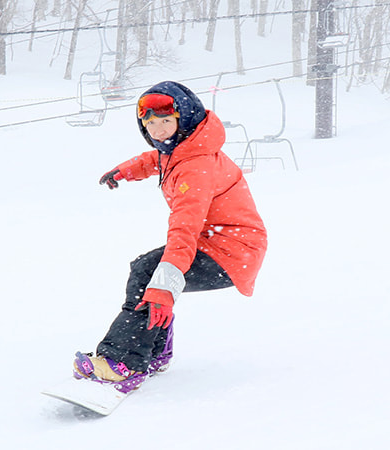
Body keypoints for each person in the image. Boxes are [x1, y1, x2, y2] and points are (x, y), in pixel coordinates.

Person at [72, 81, 268, 393]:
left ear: (183, 119)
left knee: (149, 274)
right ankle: (154, 350)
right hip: (222, 242)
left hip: (231, 252)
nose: (159, 131)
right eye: (150, 125)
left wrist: (163, 290)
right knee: (146, 269)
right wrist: (125, 170)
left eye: (165, 122)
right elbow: (156, 160)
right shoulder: (186, 146)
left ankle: (123, 363)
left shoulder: (195, 167)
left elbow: (184, 230)